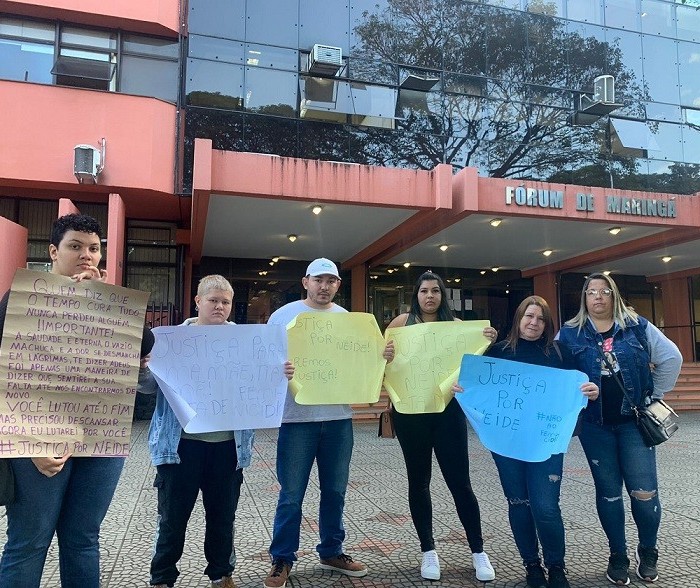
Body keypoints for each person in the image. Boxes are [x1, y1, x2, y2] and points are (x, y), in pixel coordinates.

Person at [0, 213, 147, 588]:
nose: (86, 255)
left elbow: (146, 343)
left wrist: (102, 297)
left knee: (83, 540)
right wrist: (26, 442)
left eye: (94, 248)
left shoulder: (106, 301)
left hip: (99, 440)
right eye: (75, 246)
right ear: (53, 251)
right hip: (37, 442)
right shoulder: (21, 298)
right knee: (29, 542)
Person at [144, 275, 294, 588]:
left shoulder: (246, 341)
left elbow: (261, 384)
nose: (220, 307)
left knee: (223, 517)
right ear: (197, 301)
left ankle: (221, 574)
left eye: (226, 302)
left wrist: (280, 373)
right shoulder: (171, 341)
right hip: (180, 446)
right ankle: (162, 578)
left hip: (227, 447)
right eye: (213, 300)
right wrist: (144, 366)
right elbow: (147, 388)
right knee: (172, 518)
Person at [264, 258, 385, 588]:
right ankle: (282, 559)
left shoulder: (346, 320)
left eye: (331, 280)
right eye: (319, 279)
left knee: (335, 490)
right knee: (291, 493)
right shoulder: (284, 316)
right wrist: (279, 371)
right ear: (305, 282)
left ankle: (332, 550)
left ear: (338, 286)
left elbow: (359, 360)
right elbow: (263, 360)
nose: (324, 286)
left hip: (337, 420)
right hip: (296, 420)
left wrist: (380, 357)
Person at [557, 273, 682, 586]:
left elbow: (671, 357)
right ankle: (618, 555)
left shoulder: (637, 326)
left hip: (633, 426)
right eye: (591, 292)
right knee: (609, 494)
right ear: (584, 298)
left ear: (614, 296)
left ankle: (648, 550)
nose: (598, 297)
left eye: (604, 291)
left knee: (644, 492)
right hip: (595, 428)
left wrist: (654, 394)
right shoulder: (571, 333)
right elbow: (553, 371)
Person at [383, 271, 497, 582]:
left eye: (435, 291)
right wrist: (385, 357)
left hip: (448, 413)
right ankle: (428, 551)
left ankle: (478, 551)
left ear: (442, 295)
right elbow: (381, 364)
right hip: (410, 414)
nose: (430, 296)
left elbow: (475, 366)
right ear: (416, 295)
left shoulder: (459, 328)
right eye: (424, 291)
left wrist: (486, 343)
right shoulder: (399, 325)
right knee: (418, 482)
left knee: (460, 483)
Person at [480, 296, 598, 588]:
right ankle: (532, 566)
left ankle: (556, 567)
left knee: (545, 507)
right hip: (506, 443)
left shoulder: (561, 353)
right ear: (518, 318)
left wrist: (590, 391)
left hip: (546, 444)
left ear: (547, 323)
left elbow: (579, 388)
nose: (534, 323)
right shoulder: (498, 352)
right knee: (518, 503)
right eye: (528, 317)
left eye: (540, 318)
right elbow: (480, 389)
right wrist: (464, 389)